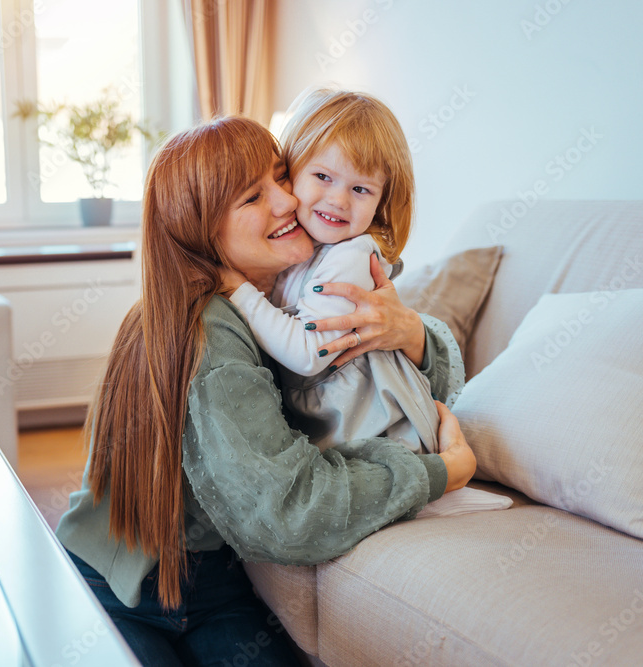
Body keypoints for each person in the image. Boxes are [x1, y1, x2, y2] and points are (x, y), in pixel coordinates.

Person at [55, 116, 477, 666]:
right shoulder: (213, 331)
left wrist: (411, 333)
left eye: (281, 176)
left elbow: (388, 386)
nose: (287, 202)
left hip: (213, 583)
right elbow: (291, 510)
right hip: (119, 587)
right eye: (253, 197)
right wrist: (440, 473)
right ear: (202, 230)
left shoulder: (297, 288)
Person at [221, 88, 461, 455]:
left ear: (381, 201)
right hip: (345, 431)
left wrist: (239, 292)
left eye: (361, 189)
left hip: (388, 438)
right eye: (323, 176)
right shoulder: (303, 249)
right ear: (292, 171)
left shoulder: (350, 257)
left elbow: (308, 353)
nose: (338, 200)